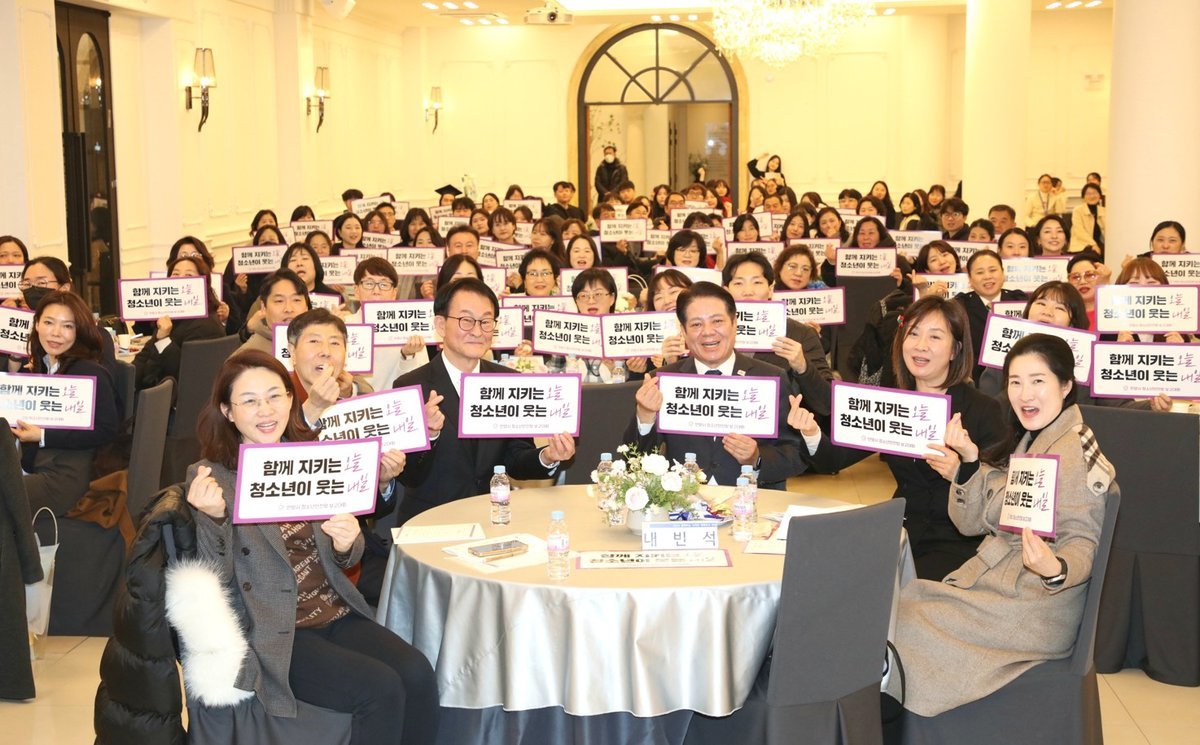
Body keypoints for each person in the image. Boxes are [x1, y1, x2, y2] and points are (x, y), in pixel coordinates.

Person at [185, 351, 437, 742]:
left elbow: (347, 555)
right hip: (276, 628)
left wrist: (347, 542)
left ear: (291, 400)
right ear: (228, 411)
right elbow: (211, 581)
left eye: (275, 396)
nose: (265, 410)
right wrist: (214, 519)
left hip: (333, 609)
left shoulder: (314, 457)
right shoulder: (212, 478)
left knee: (417, 672)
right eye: (249, 401)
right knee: (379, 688)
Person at [889, 333, 1114, 717]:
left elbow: (1082, 538)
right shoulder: (1038, 436)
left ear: (1065, 386)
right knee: (906, 603)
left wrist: (1056, 568)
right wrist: (969, 464)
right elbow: (983, 519)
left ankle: (896, 714)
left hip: (1039, 605)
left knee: (909, 619)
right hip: (1009, 584)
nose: (1025, 395)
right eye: (1015, 382)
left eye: (1038, 381)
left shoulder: (1073, 450)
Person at [807, 296, 1009, 580]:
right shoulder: (892, 404)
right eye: (913, 334)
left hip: (958, 542)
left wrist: (962, 472)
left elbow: (1001, 493)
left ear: (955, 350)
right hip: (900, 531)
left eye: (935, 336)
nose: (920, 345)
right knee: (830, 573)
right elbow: (834, 459)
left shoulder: (983, 409)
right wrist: (811, 433)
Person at [393, 278, 575, 523]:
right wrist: (429, 434)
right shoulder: (410, 387)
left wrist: (548, 456)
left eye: (486, 322)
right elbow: (409, 476)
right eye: (466, 320)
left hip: (493, 518)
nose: (477, 332)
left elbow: (515, 460)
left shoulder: (508, 381)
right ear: (441, 324)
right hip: (431, 521)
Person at [625, 282, 814, 490]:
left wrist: (756, 458)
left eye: (717, 321)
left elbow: (796, 454)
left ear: (734, 323)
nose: (708, 332)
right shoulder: (662, 380)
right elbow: (633, 460)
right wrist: (645, 416)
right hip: (684, 500)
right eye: (696, 324)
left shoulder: (770, 377)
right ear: (683, 331)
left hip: (751, 500)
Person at [16, 290, 120, 516]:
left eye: (67, 326)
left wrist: (42, 435)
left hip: (66, 475)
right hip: (38, 464)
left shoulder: (87, 371)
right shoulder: (45, 364)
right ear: (37, 324)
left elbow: (107, 430)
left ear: (78, 331)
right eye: (49, 322)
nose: (56, 333)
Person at [719, 253, 834, 418]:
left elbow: (827, 404)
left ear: (770, 289)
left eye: (757, 282)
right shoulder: (712, 333)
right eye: (738, 283)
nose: (748, 291)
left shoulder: (800, 333)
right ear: (726, 291)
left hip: (781, 429)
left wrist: (803, 367)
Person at [133, 255, 226, 390]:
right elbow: (144, 357)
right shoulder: (170, 317)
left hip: (174, 397)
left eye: (188, 275)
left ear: (203, 284)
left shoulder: (207, 325)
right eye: (175, 274)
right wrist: (125, 383)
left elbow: (185, 372)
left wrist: (164, 339)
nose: (180, 279)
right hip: (151, 391)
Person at [345, 257, 428, 392]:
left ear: (394, 293)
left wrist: (408, 356)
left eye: (384, 285)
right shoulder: (344, 325)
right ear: (356, 290)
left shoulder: (411, 327)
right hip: (354, 401)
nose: (376, 291)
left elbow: (420, 381)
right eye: (369, 283)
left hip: (397, 401)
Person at [954, 249, 1026, 381]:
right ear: (970, 279)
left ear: (1003, 273)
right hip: (974, 379)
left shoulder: (1019, 300)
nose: (987, 276)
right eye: (980, 272)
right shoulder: (960, 305)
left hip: (1020, 375)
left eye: (992, 270)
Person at [236, 270, 311, 356]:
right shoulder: (247, 355)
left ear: (307, 307)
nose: (289, 309)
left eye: (296, 300)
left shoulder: (321, 346)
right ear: (264, 307)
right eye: (279, 301)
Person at [1066, 250, 1111, 330]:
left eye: (1089, 275)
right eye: (1076, 277)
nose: (1082, 282)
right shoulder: (1064, 313)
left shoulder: (1115, 311)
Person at [1069, 183, 1106, 255]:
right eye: (1088, 194)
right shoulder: (1078, 210)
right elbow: (1079, 231)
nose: (1092, 196)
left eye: (1094, 193)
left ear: (1100, 196)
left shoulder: (1104, 211)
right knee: (1093, 254)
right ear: (1083, 197)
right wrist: (1093, 244)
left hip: (1099, 245)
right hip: (1081, 245)